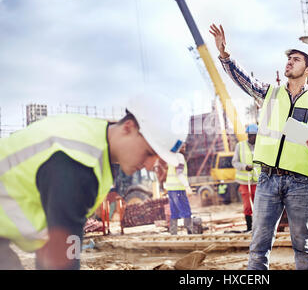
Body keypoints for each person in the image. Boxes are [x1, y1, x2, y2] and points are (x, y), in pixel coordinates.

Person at [0, 93, 184, 269]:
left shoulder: (91, 142)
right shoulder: (78, 163)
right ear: (128, 127)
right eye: (150, 152)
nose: (152, 165)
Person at [209, 24, 308, 270]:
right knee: (258, 245)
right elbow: (244, 81)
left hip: (301, 182)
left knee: (302, 244)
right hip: (267, 179)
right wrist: (225, 55)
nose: (289, 62)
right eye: (289, 58)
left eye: (296, 59)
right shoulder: (270, 94)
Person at [232, 123, 261, 232]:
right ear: (248, 135)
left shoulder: (260, 146)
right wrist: (244, 167)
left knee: (259, 205)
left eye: (255, 135)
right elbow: (234, 162)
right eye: (251, 135)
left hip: (258, 181)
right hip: (245, 181)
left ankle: (258, 227)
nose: (253, 137)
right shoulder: (240, 146)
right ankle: (249, 227)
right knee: (248, 205)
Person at [163, 140, 194, 235]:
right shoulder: (179, 157)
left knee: (174, 212)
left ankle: (173, 233)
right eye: (182, 146)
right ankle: (190, 232)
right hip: (178, 189)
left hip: (171, 189)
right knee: (186, 210)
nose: (184, 148)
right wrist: (187, 186)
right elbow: (179, 173)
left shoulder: (171, 157)